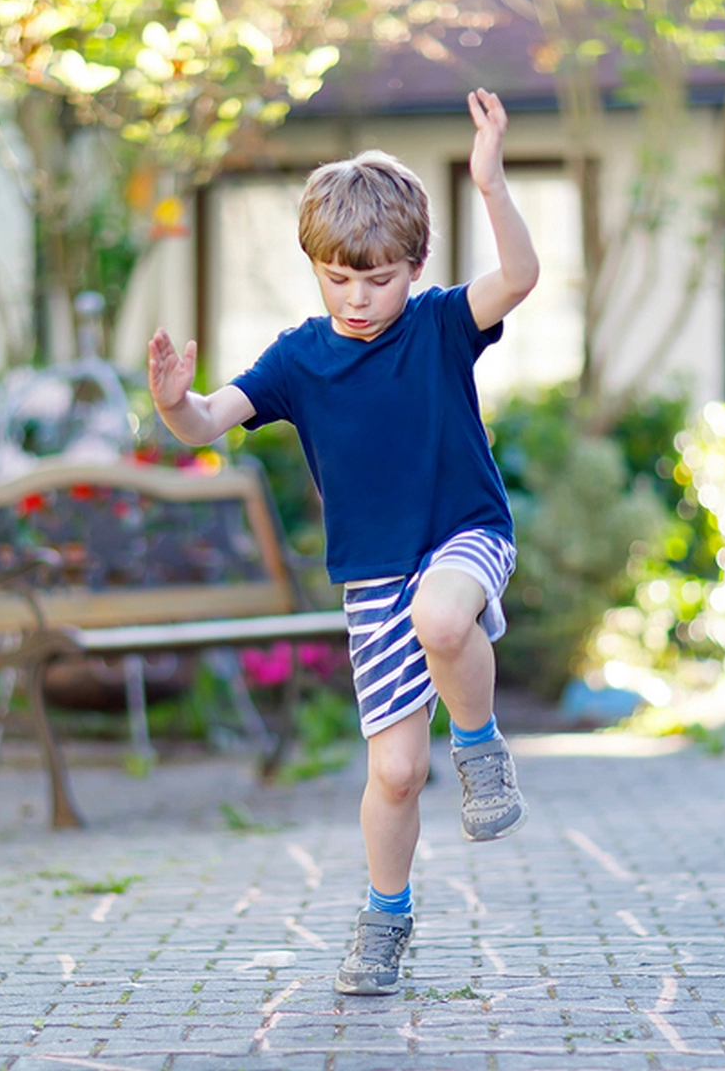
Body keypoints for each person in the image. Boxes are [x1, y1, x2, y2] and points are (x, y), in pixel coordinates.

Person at [147, 89, 540, 993]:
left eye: (380, 278)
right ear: (316, 269)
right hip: (372, 579)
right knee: (396, 772)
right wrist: (173, 399)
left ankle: (480, 747)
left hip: (466, 537)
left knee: (446, 618)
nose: (360, 298)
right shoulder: (299, 358)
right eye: (339, 278)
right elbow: (207, 422)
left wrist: (491, 184)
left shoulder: (442, 324)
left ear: (414, 267)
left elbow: (517, 278)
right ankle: (385, 918)